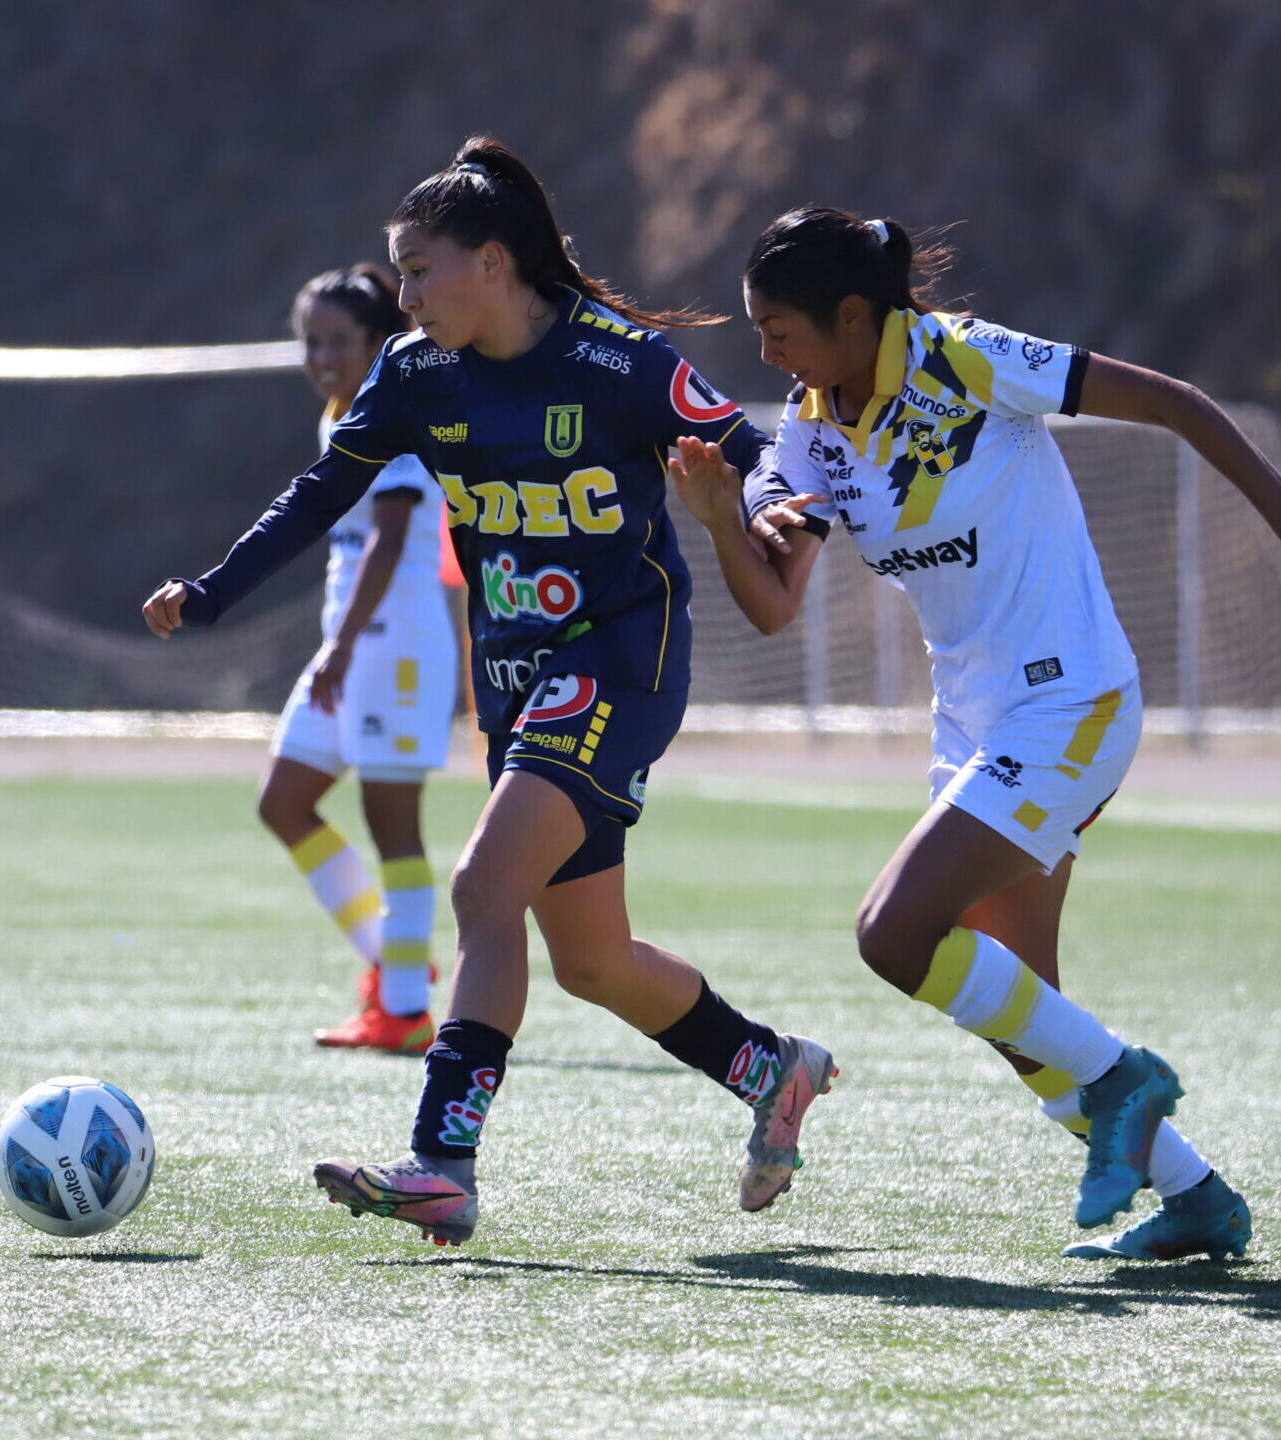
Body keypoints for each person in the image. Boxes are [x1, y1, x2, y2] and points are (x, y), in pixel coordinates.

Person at [144, 138, 837, 1247]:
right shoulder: (417, 376)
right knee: (592, 962)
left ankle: (442, 1162)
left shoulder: (619, 361)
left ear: (494, 263)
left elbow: (749, 451)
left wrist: (764, 515)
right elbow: (324, 488)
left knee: (481, 891)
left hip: (621, 659)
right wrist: (213, 590)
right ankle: (771, 1067)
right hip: (515, 676)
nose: (404, 297)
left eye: (418, 271)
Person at [670, 207, 1281, 1261]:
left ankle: (1124, 1080)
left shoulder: (962, 356)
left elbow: (1177, 404)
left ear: (854, 313)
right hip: (969, 719)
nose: (765, 351)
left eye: (778, 329)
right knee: (1019, 1013)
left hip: (1071, 702)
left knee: (893, 934)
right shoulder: (811, 421)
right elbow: (774, 601)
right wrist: (719, 518)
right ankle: (1194, 1198)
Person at [260, 263, 458, 1054]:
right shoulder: (340, 416)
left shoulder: (399, 413)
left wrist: (341, 647)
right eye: (311, 341)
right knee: (284, 801)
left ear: (381, 342)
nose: (323, 356)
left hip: (395, 648)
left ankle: (405, 1013)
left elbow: (388, 536)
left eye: (340, 340)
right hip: (350, 648)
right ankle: (395, 961)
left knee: (392, 829)